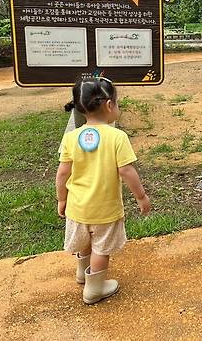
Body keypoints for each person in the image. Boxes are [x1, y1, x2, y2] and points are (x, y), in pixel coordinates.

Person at [56, 77, 151, 305]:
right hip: (105, 210)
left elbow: (62, 173)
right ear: (109, 105)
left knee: (85, 241)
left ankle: (82, 273)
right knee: (101, 249)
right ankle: (94, 289)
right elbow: (127, 171)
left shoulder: (71, 138)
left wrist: (61, 200)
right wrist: (141, 196)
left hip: (77, 207)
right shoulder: (117, 137)